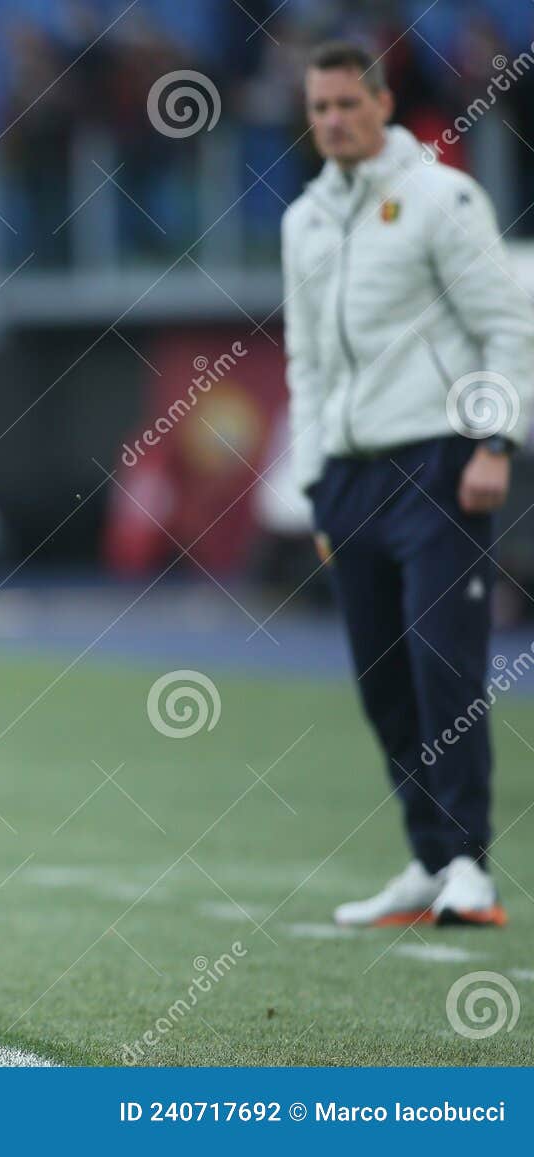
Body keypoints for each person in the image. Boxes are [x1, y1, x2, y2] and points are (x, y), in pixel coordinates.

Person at [282, 42, 534, 928]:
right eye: (320, 108)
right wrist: (313, 482)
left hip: (437, 462)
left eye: (349, 103)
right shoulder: (305, 218)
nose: (335, 121)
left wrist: (494, 438)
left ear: (383, 102)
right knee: (381, 678)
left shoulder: (441, 196)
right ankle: (430, 858)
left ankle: (470, 864)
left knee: (444, 666)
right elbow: (307, 364)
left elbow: (507, 330)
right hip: (347, 480)